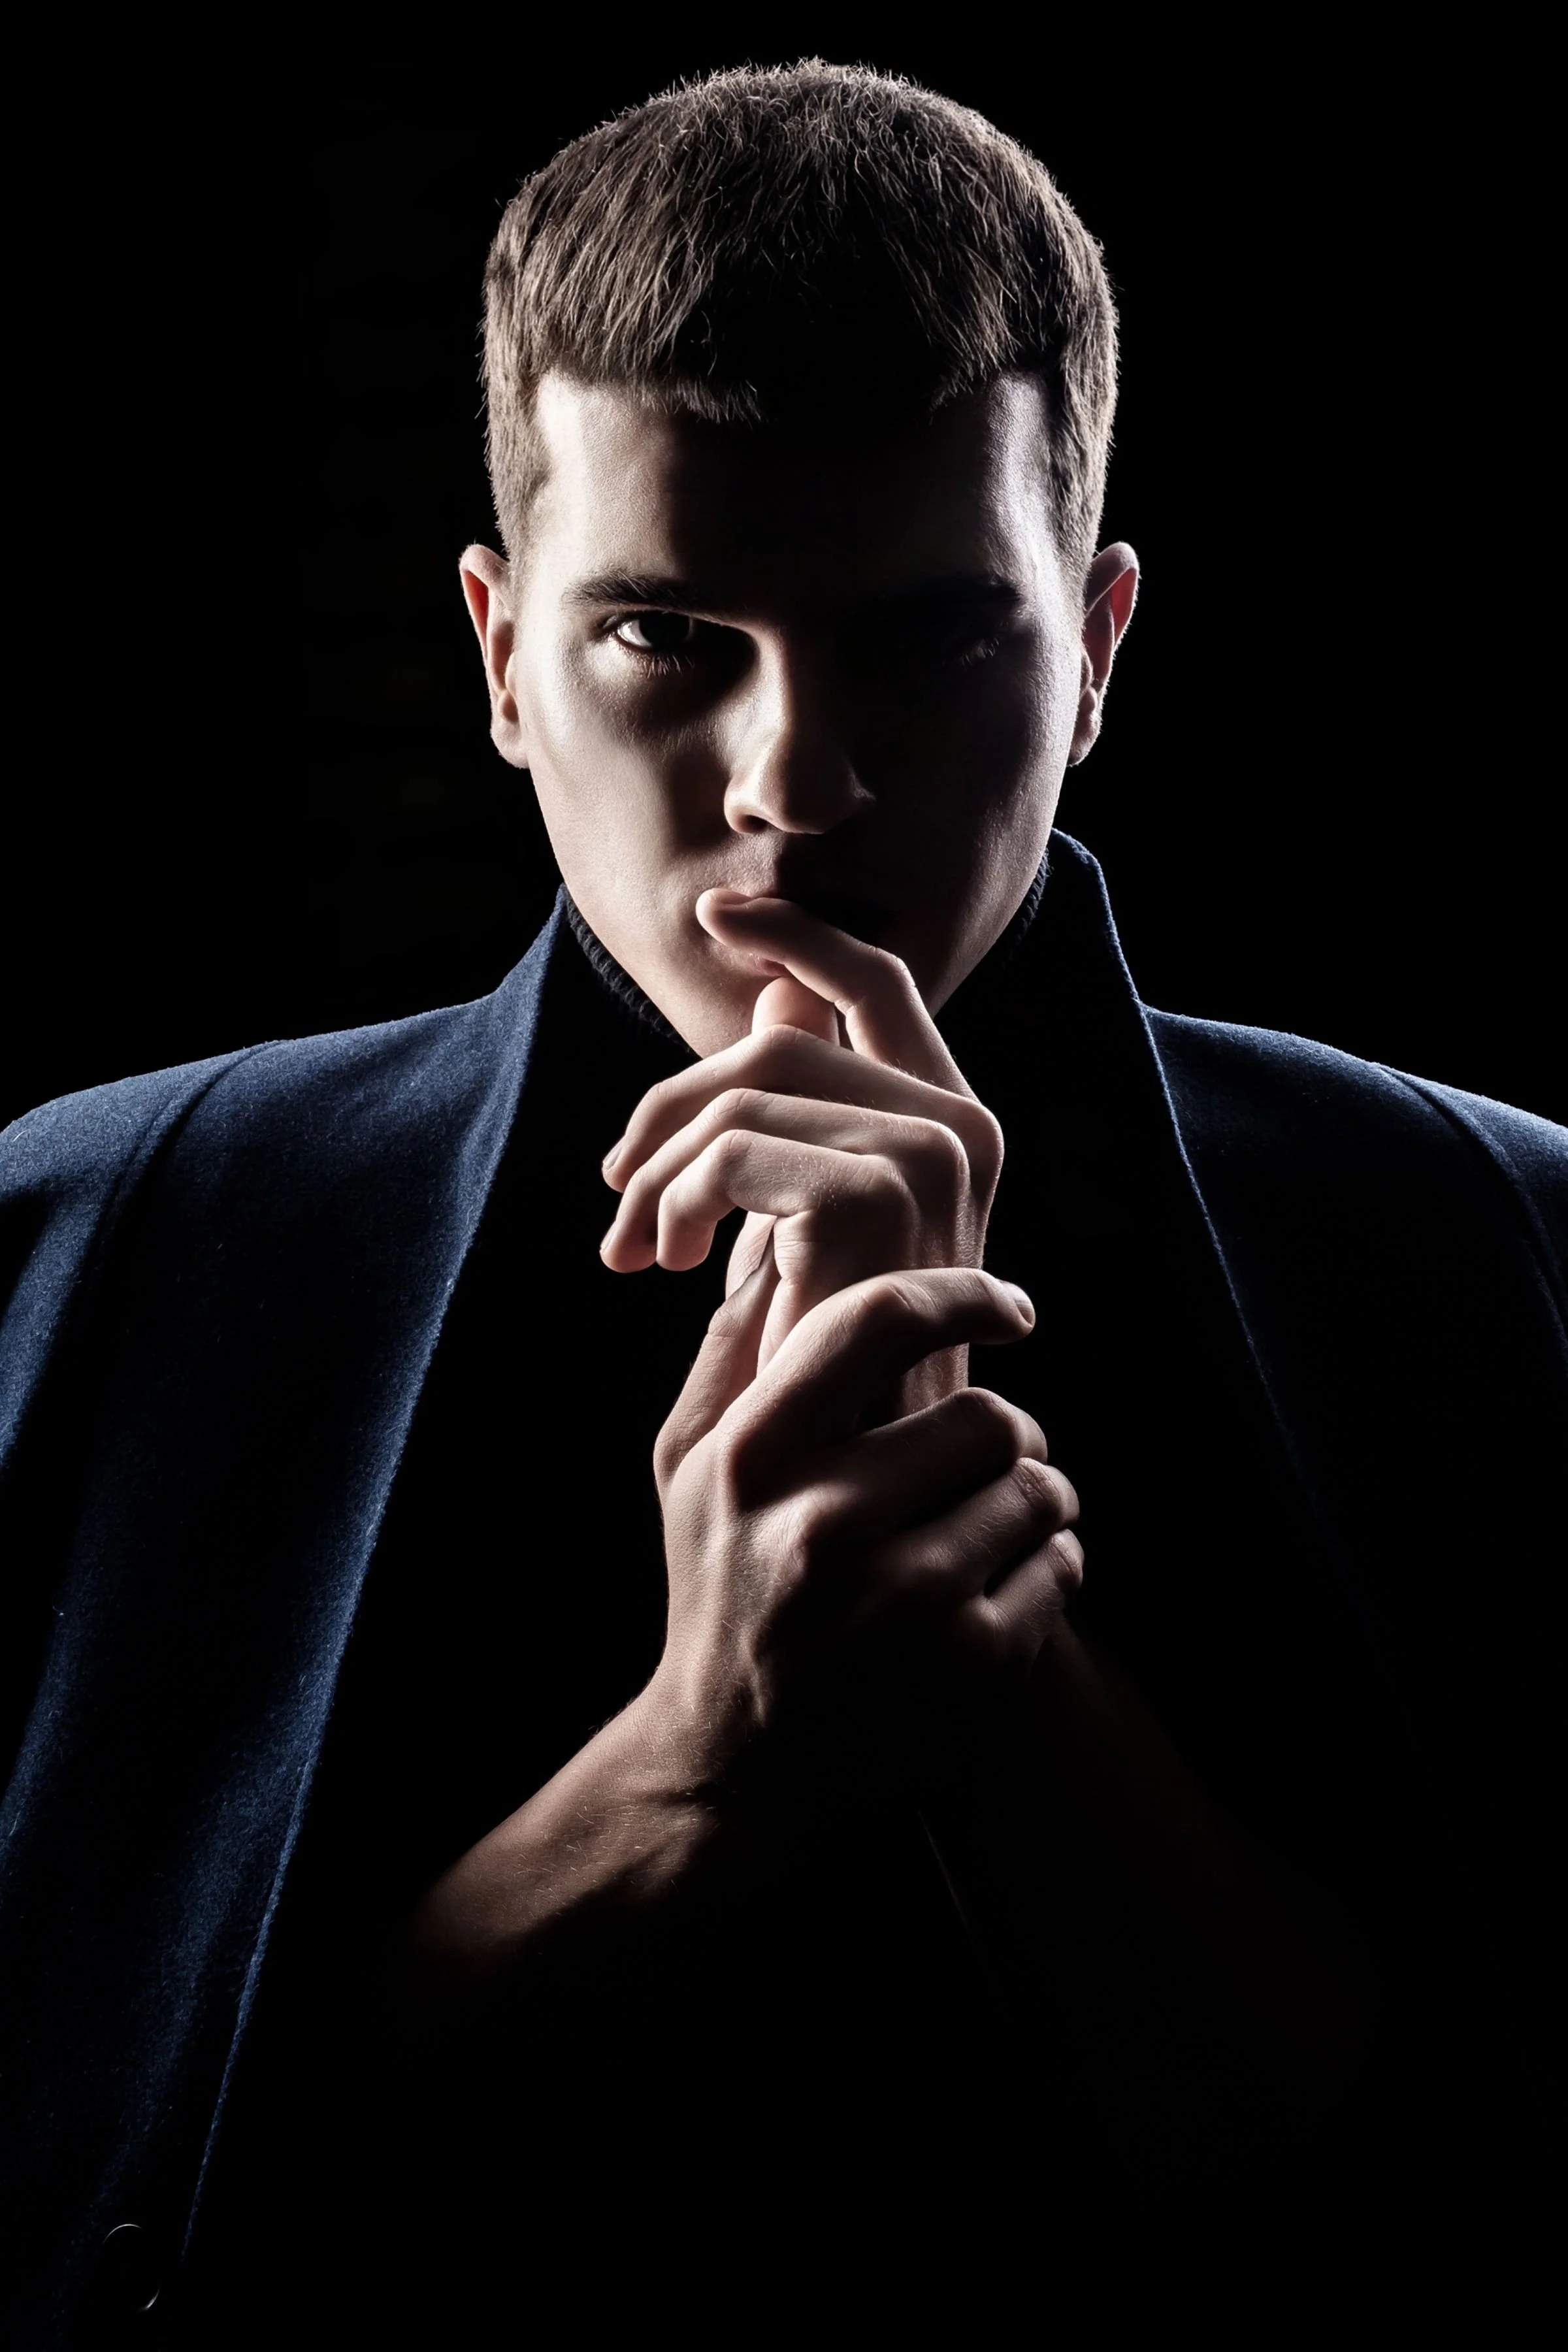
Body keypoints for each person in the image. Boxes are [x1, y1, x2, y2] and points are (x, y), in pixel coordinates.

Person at [3, 61, 1563, 2344]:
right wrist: (686, 1772)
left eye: (933, 635)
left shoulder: (1507, 1255)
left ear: (1102, 649)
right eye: (664, 635)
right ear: (502, 658)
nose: (795, 786)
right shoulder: (73, 1250)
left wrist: (996, 1668)